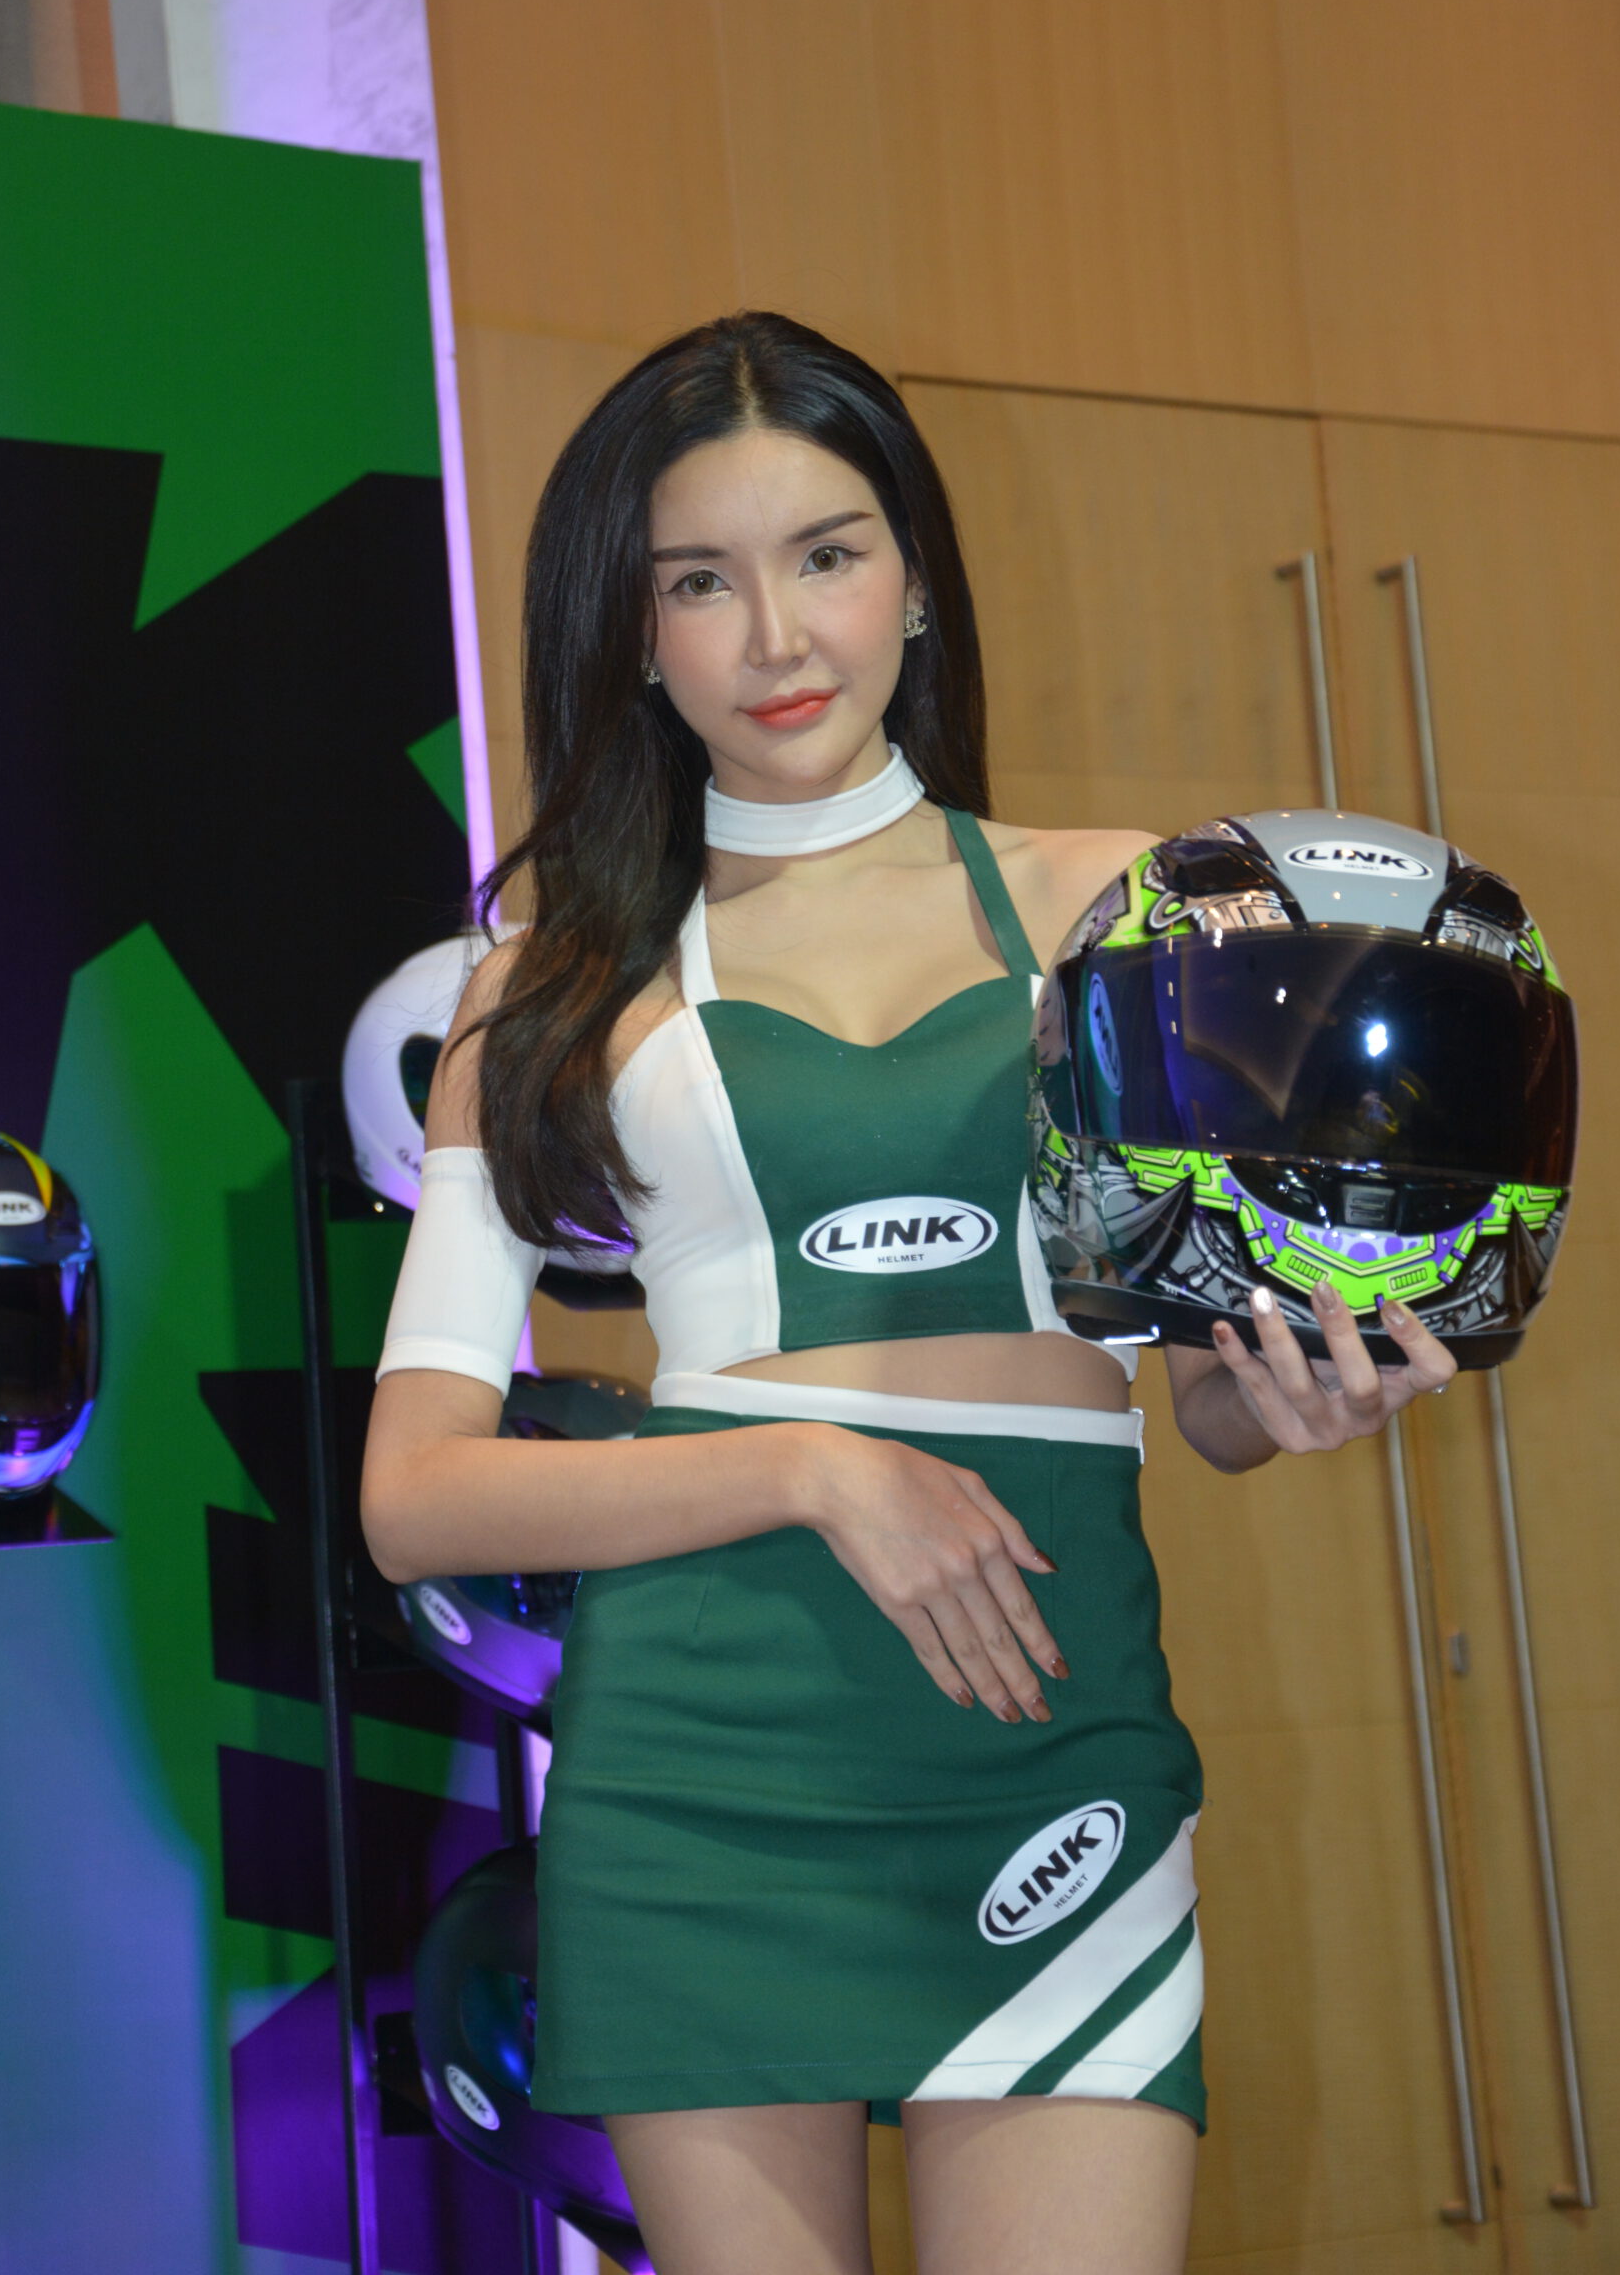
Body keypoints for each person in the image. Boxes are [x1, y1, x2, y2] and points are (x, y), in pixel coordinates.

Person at [361, 313, 1458, 2275]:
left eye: (827, 554)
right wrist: (813, 1467)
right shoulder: (534, 993)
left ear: (918, 580)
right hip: (703, 1777)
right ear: (632, 630)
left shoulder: (1126, 913)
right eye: (700, 580)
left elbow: (1200, 1386)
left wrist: (1288, 1393)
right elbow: (416, 1493)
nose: (777, 637)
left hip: (1049, 1737)